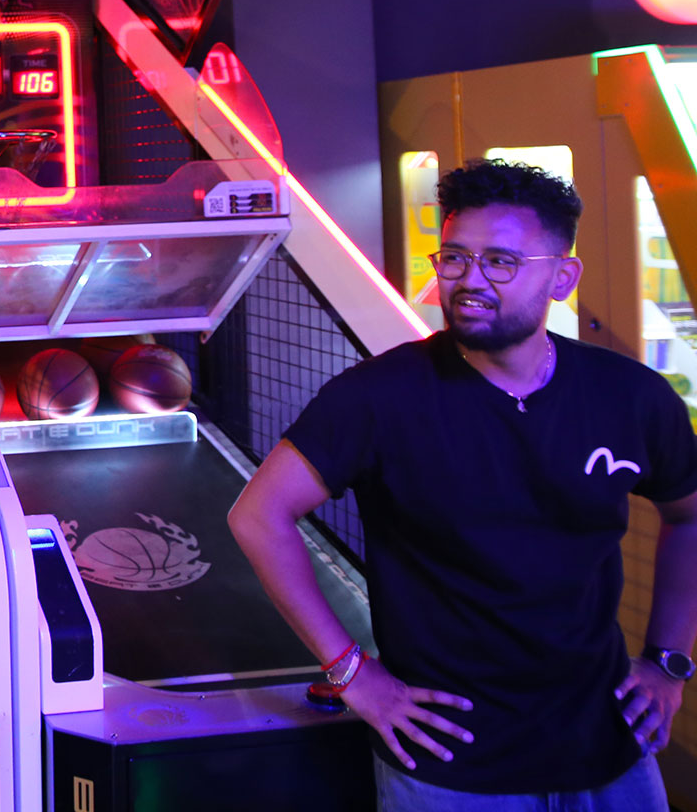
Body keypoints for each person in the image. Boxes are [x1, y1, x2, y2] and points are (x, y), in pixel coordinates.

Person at [230, 159, 697, 809]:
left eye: (501, 262)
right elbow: (258, 515)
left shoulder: (630, 397)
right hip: (448, 763)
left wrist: (669, 661)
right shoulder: (377, 398)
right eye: (453, 258)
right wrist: (351, 673)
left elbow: (688, 513)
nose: (470, 280)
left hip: (608, 746)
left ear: (563, 278)